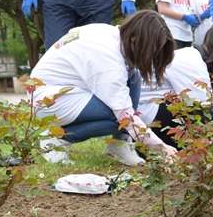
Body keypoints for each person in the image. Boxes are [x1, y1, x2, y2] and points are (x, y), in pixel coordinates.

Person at [29, 10, 176, 166]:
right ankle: (56, 140)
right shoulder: (109, 61)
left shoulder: (111, 35)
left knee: (133, 77)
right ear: (135, 40)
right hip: (48, 98)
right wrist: (163, 148)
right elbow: (126, 117)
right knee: (118, 117)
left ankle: (119, 144)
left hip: (65, 90)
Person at [138, 21, 213, 147]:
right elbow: (207, 109)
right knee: (191, 111)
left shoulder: (198, 59)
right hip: (144, 114)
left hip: (148, 111)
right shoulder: (194, 62)